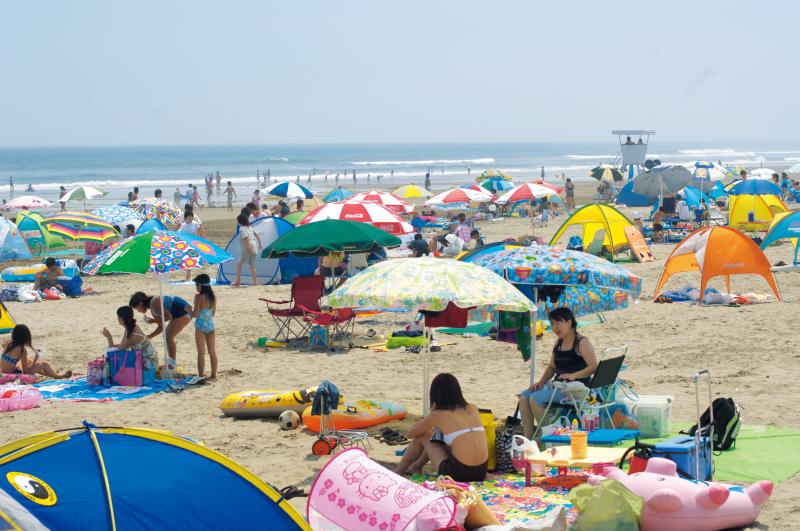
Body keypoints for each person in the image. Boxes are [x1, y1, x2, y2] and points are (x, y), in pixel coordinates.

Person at [518, 307, 598, 439]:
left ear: (569, 322)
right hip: (558, 386)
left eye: (558, 323)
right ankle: (529, 439)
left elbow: (593, 366)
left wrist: (574, 375)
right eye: (552, 324)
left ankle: (548, 437)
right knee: (523, 397)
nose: (554, 327)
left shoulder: (582, 342)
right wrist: (541, 382)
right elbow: (552, 367)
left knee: (534, 399)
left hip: (575, 390)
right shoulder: (559, 343)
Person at [395, 373, 488, 482]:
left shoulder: (439, 414)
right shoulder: (472, 408)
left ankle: (398, 472)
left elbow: (410, 433)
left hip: (458, 475)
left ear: (436, 394)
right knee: (436, 437)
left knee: (423, 436)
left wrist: (431, 414)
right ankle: (416, 467)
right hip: (481, 472)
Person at [129, 291, 192, 367]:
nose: (138, 311)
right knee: (167, 336)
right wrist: (149, 337)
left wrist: (153, 321)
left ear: (140, 304)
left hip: (184, 312)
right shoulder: (153, 310)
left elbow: (169, 317)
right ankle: (171, 362)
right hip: (181, 311)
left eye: (136, 308)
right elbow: (162, 328)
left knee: (168, 337)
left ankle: (172, 364)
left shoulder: (154, 303)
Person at [101, 306, 159, 374]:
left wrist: (109, 337)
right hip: (149, 360)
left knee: (113, 358)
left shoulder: (131, 335)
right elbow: (121, 346)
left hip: (150, 365)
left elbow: (118, 350)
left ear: (121, 319)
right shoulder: (131, 327)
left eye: (118, 317)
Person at [1, 324, 72, 379]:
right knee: (43, 364)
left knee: (28, 360)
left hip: (2, 371)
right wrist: (35, 359)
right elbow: (25, 372)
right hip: (11, 374)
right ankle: (59, 376)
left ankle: (50, 373)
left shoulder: (8, 343)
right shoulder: (22, 350)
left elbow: (3, 346)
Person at [192, 274, 217, 379]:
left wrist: (188, 309)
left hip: (200, 327)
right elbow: (213, 313)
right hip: (210, 326)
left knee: (201, 353)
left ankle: (201, 375)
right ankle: (213, 375)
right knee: (212, 352)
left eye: (197, 284)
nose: (196, 287)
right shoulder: (213, 297)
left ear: (201, 285)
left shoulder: (199, 297)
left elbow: (194, 314)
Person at [232, 213, 261, 287]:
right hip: (254, 247)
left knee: (239, 264)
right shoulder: (250, 227)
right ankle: (255, 282)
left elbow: (246, 238)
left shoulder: (241, 229)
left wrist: (248, 248)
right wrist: (260, 244)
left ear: (239, 222)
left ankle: (237, 281)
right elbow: (257, 234)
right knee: (252, 266)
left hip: (247, 248)